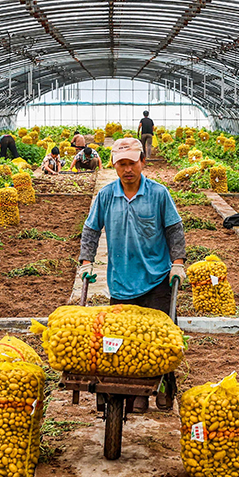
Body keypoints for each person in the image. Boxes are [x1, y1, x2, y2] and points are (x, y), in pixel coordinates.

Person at [79, 137, 186, 406]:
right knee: (125, 342)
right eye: (122, 164)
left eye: (132, 163)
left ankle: (163, 384)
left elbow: (174, 229)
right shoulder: (106, 196)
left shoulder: (159, 193)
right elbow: (91, 230)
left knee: (161, 340)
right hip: (121, 281)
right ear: (115, 166)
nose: (128, 169)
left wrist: (178, 263)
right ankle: (133, 391)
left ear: (142, 162)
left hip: (156, 278)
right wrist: (86, 262)